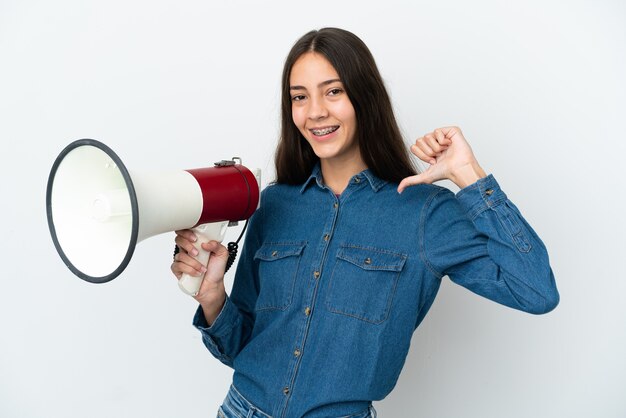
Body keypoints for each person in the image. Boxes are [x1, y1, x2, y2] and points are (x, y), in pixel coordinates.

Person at [171, 27, 559, 418]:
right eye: (300, 97)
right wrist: (213, 298)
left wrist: (469, 175)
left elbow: (536, 290)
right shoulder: (274, 204)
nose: (316, 111)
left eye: (333, 91)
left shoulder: (424, 213)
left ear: (365, 96)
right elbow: (241, 349)